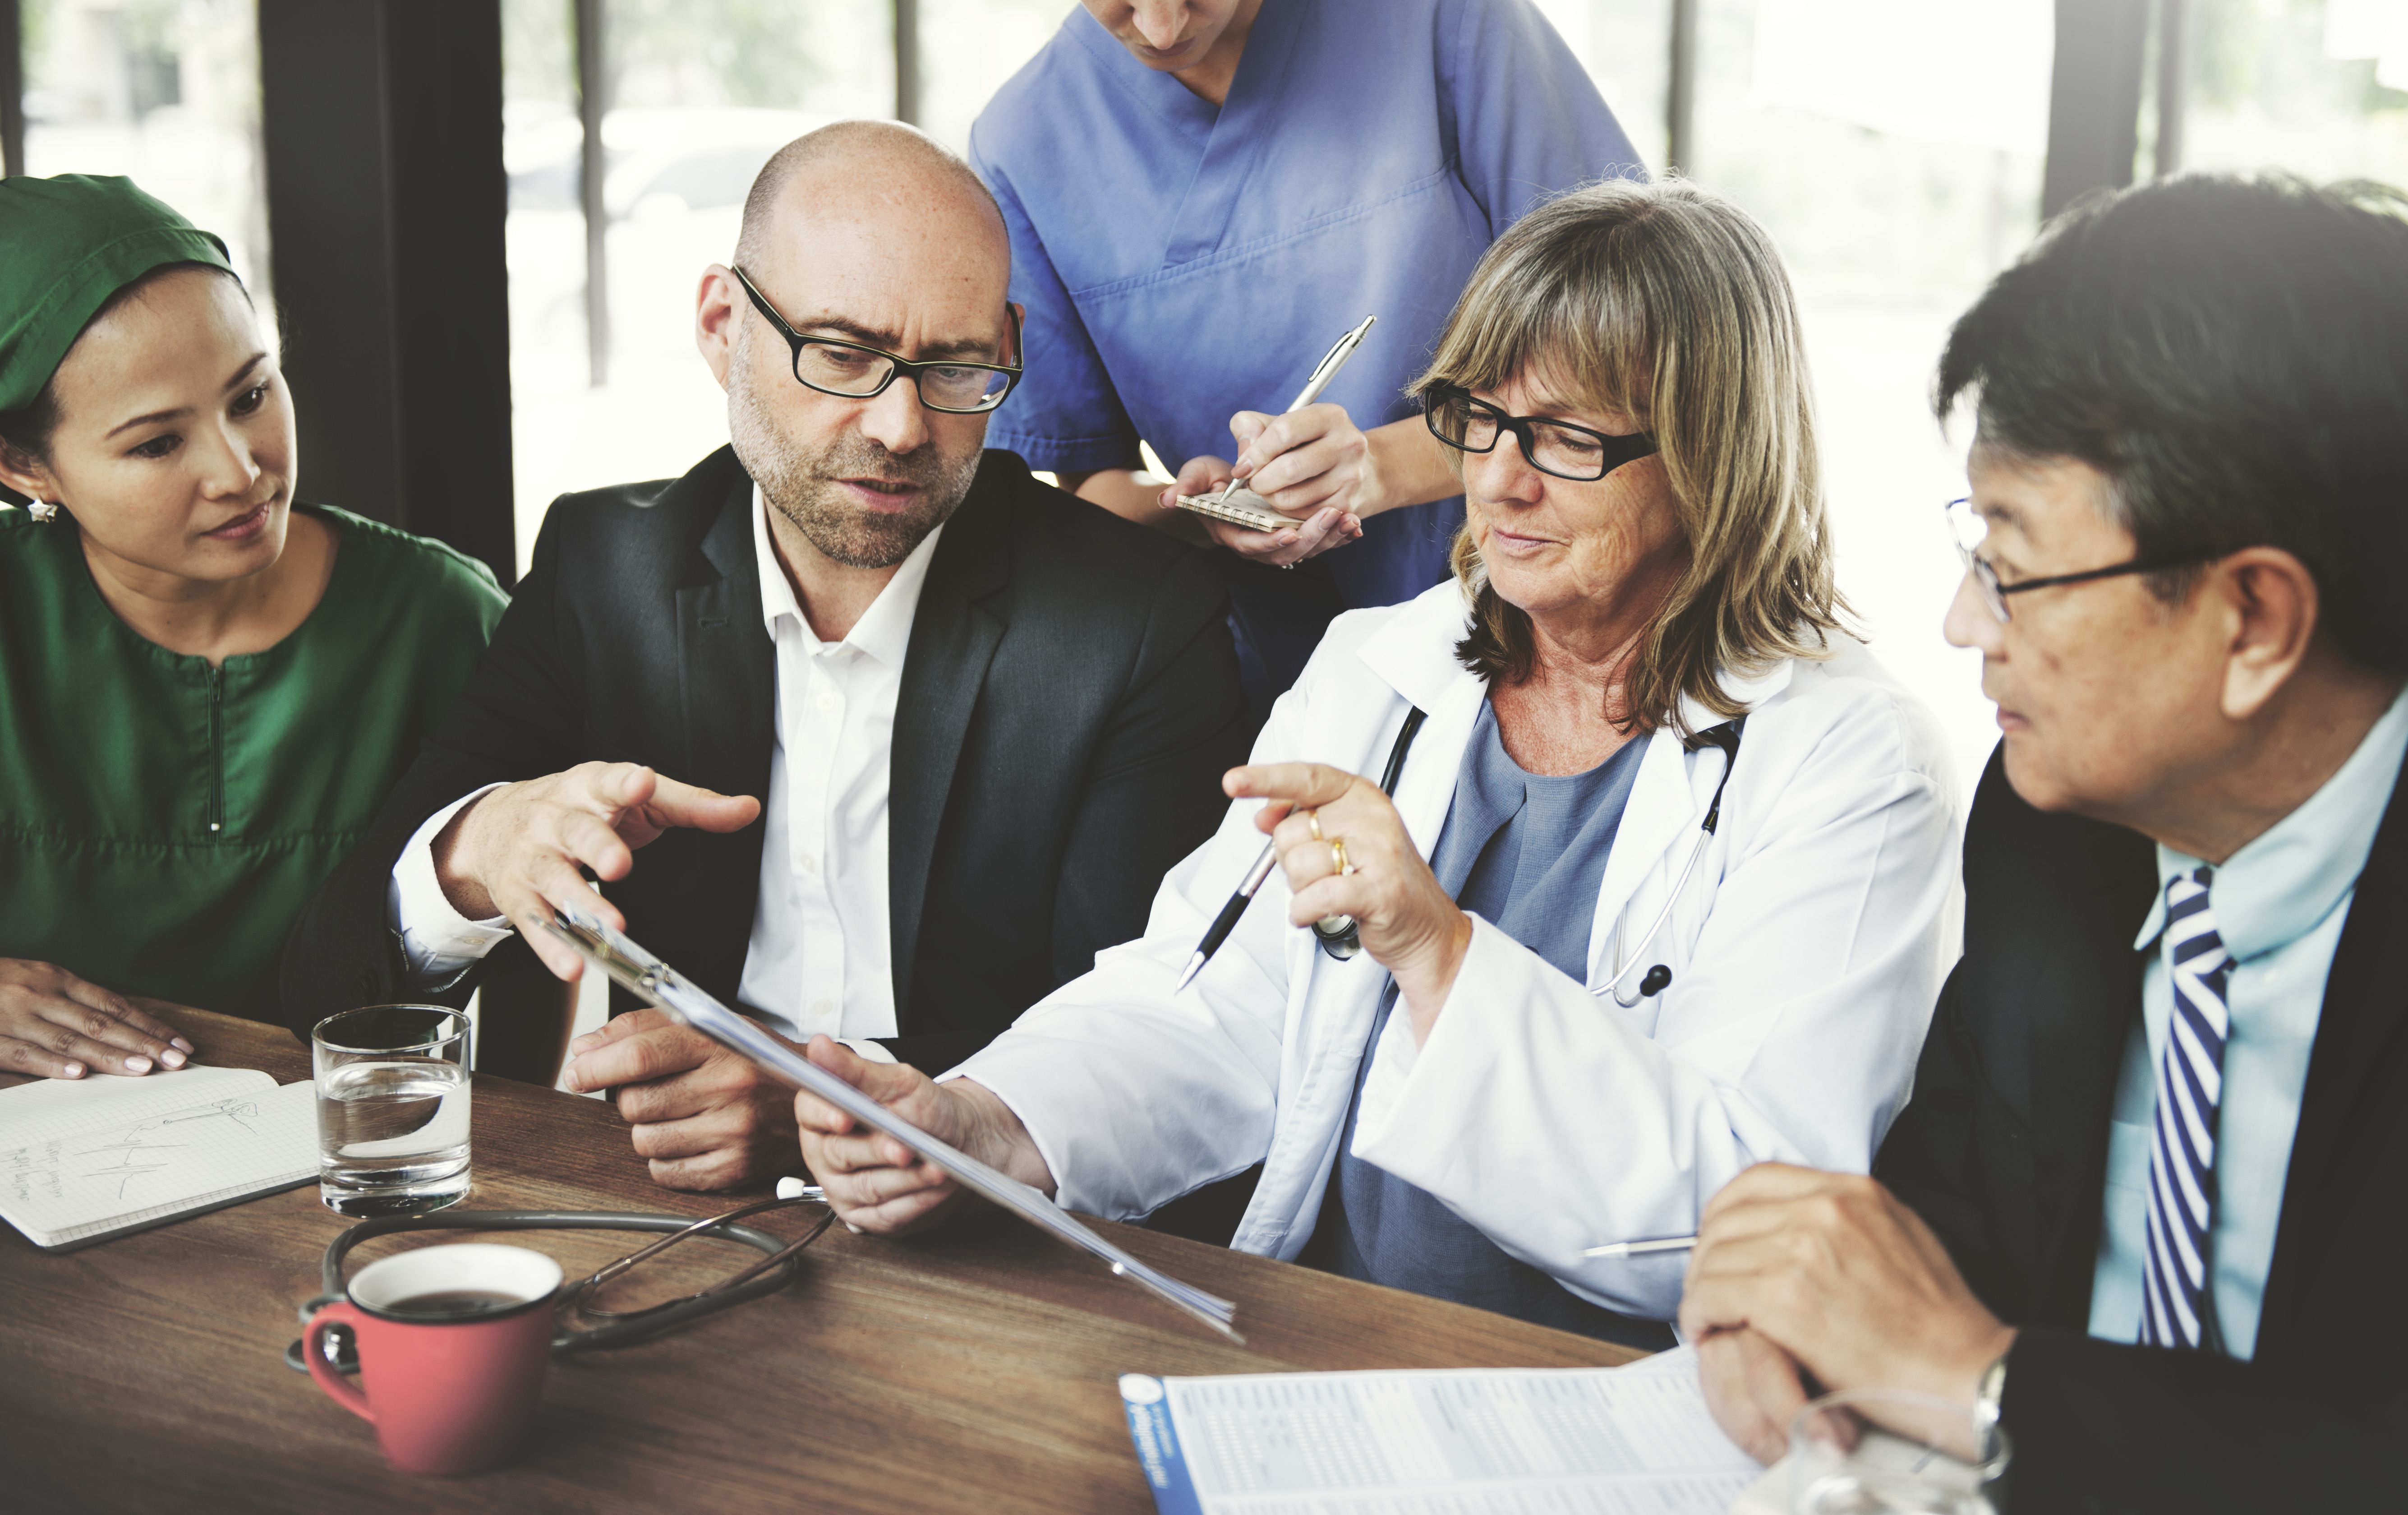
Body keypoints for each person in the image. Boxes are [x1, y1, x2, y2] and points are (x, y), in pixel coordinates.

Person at [788, 180, 1958, 1346]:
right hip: (1337, 1339)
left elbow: (1751, 1216)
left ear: (1711, 451)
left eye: (1563, 434)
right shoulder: (1380, 668)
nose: (1499, 478)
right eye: (1476, 417)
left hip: (1620, 1392)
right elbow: (1207, 1000)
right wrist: (979, 1121)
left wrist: (1438, 953)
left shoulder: (1849, 757)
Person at [282, 122, 1249, 1193]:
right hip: (667, 1217)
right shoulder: (604, 570)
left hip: (995, 1248)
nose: (898, 425)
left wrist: (820, 1108)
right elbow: (328, 982)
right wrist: (471, 849)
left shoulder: (1139, 619)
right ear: (721, 326)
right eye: (840, 353)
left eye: (956, 367)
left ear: (1010, 350)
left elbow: (1148, 1043)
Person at [1677, 176, 2408, 1510]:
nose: (1963, 625)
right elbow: (1942, 1218)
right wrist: (1794, 1303)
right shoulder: (2052, 827)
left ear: (2251, 618)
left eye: (2009, 562)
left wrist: (1983, 1380)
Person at [971, 0, 1642, 711]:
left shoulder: (1442, 20)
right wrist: (1209, 512)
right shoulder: (1024, 143)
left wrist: (1379, 468)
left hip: (1562, 617)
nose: (1164, 27)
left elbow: (1632, 335)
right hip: (1290, 684)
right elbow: (1094, 489)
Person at [0, 175, 506, 1078]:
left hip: (357, 1164)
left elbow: (542, 945)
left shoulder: (444, 619)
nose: (241, 473)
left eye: (250, 395)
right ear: (25, 466)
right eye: (158, 443)